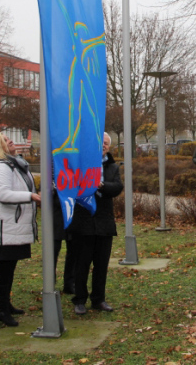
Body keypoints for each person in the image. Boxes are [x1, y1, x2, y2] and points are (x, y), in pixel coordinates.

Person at [0, 134, 41, 327]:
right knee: (5, 268)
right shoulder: (1, 167)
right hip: (5, 226)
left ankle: (6, 304)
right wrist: (30, 196)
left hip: (12, 225)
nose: (9, 141)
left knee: (9, 268)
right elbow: (3, 194)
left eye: (9, 138)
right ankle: (2, 309)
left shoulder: (14, 164)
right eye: (4, 140)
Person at [68, 133, 123, 315]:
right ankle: (80, 299)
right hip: (83, 222)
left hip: (104, 222)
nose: (104, 146)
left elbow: (117, 187)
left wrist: (101, 186)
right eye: (101, 143)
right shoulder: (81, 164)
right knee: (82, 263)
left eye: (106, 144)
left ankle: (99, 299)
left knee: (101, 264)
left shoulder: (112, 167)